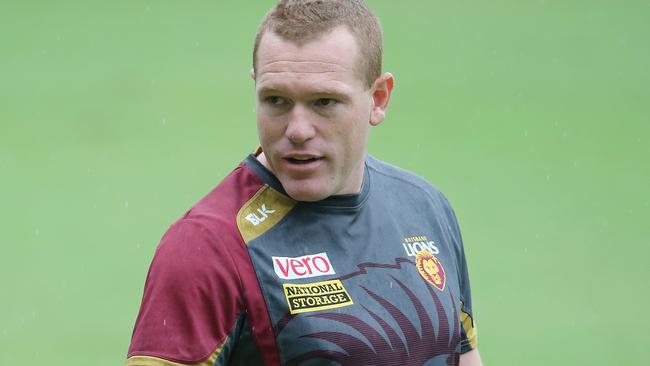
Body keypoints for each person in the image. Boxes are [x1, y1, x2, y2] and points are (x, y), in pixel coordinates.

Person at [125, 0, 482, 365]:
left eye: (324, 102)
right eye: (276, 100)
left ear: (378, 99)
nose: (296, 130)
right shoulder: (206, 247)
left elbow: (465, 356)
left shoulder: (424, 207)